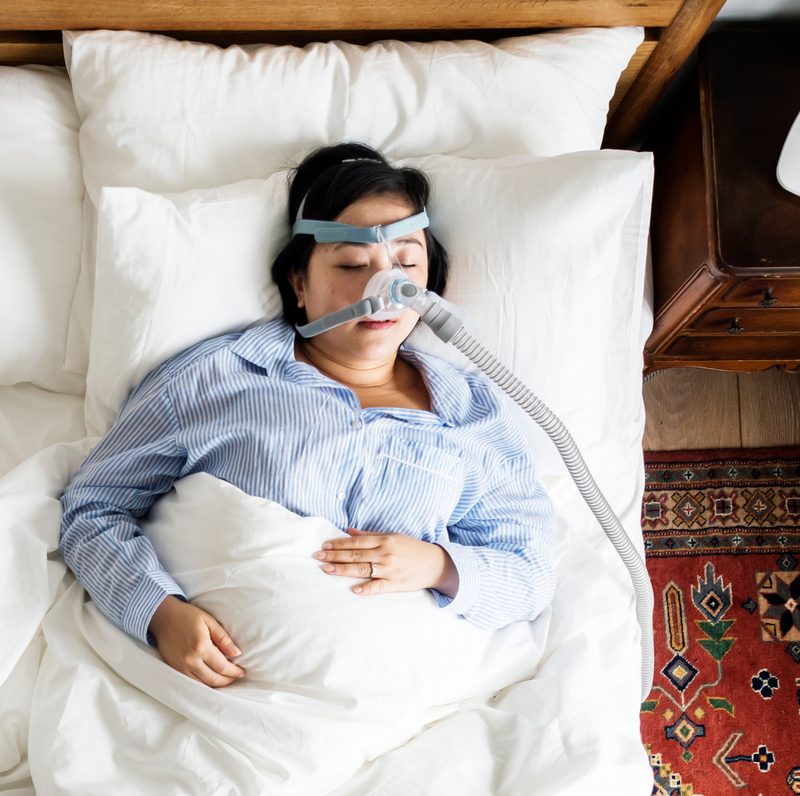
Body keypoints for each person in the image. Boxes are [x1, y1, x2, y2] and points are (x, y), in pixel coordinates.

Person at [59, 142, 558, 689]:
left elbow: (531, 572)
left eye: (407, 263)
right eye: (350, 264)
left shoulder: (470, 412)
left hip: (398, 693)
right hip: (218, 692)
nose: (385, 286)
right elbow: (93, 508)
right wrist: (158, 613)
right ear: (299, 283)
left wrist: (439, 566)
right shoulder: (215, 379)